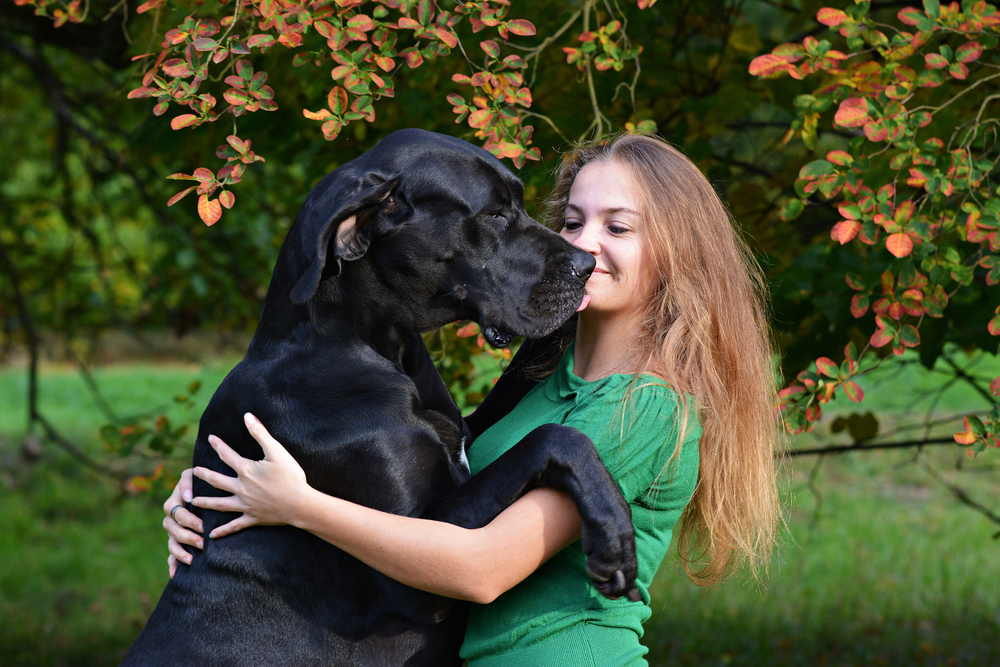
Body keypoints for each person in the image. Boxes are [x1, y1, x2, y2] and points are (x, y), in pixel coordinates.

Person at [162, 132, 782, 666]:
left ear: (675, 254)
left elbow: (478, 569)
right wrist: (209, 508)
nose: (579, 246)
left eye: (617, 227)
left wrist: (297, 505)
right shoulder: (547, 376)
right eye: (571, 221)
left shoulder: (642, 407)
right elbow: (447, 486)